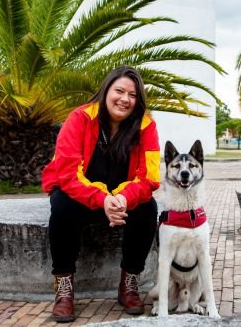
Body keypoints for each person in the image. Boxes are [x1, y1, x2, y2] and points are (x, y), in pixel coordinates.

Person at [42, 66, 160, 322]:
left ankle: (129, 282)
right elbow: (67, 174)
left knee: (148, 208)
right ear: (106, 90)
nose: (125, 99)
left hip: (120, 198)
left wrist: (122, 199)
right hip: (81, 195)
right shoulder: (80, 118)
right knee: (61, 204)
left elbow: (149, 177)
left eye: (133, 95)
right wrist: (103, 199)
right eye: (119, 91)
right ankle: (64, 288)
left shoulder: (146, 127)